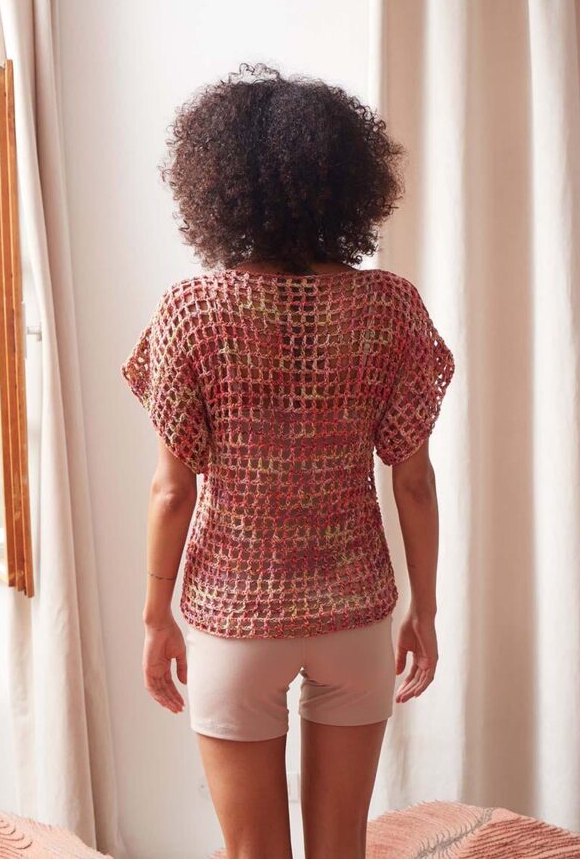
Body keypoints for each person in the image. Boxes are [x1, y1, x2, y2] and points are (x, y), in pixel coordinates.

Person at [120, 62, 455, 859]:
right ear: (349, 184)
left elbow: (171, 491)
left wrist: (155, 617)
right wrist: (426, 609)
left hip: (236, 619)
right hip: (355, 615)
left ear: (219, 184)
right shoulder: (389, 307)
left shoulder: (192, 311)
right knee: (343, 849)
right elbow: (412, 481)